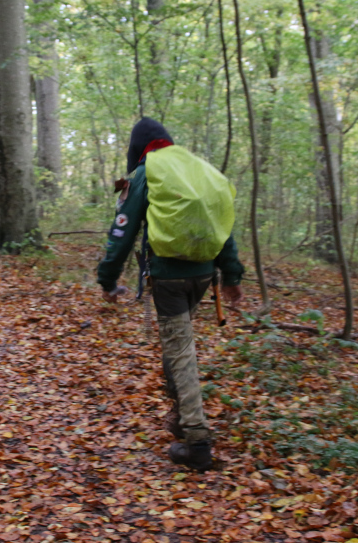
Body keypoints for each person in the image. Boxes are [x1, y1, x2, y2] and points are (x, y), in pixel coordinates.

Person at [97, 118, 244, 471]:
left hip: (168, 278)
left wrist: (107, 278)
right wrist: (231, 275)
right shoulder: (196, 168)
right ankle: (181, 416)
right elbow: (222, 224)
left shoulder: (146, 173)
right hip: (203, 274)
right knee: (176, 345)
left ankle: (197, 441)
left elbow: (124, 230)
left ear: (138, 148)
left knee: (180, 353)